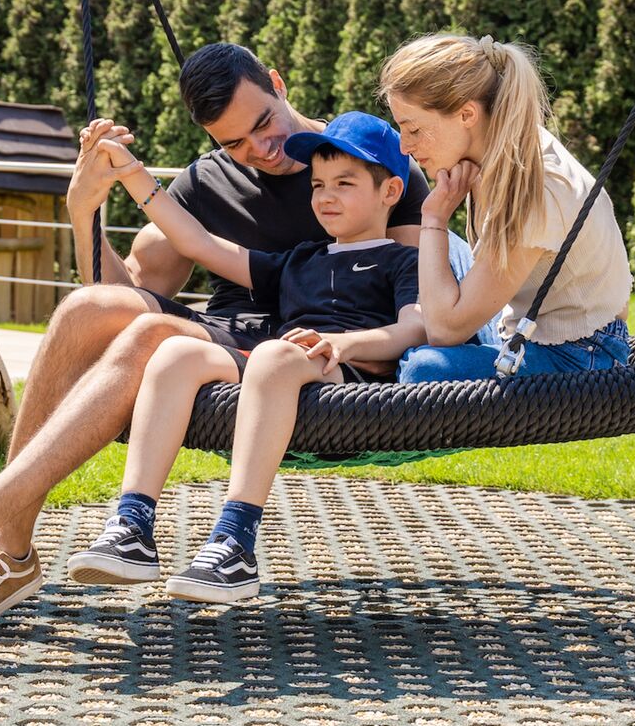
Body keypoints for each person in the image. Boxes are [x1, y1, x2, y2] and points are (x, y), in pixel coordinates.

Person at [0, 44, 433, 641]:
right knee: (85, 308)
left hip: (310, 354)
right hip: (224, 337)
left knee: (154, 332)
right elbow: (119, 291)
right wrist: (85, 212)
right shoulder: (207, 183)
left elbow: (416, 288)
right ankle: (7, 552)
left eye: (262, 123)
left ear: (279, 85)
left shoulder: (372, 162)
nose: (259, 149)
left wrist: (360, 344)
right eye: (233, 143)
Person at [64, 112, 425, 602]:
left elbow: (416, 326)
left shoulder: (403, 260)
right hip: (281, 365)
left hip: (350, 375)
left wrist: (346, 344)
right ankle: (133, 525)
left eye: (345, 183)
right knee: (175, 353)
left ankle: (235, 542)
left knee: (275, 355)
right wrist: (130, 171)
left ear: (389, 192)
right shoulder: (300, 260)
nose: (326, 196)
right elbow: (195, 241)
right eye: (318, 184)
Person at [382, 33, 634, 383]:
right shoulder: (494, 153)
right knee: (404, 352)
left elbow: (444, 330)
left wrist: (434, 219)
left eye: (413, 129)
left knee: (425, 371)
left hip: (582, 356)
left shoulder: (536, 186)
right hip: (524, 335)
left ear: (467, 114)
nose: (405, 147)